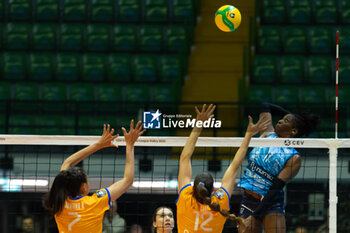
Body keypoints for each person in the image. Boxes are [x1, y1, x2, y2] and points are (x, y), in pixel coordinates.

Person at [176, 104, 270, 233]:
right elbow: (234, 167)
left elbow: (184, 158)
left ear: (194, 188)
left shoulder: (186, 197)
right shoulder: (220, 201)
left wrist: (199, 124)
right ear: (213, 189)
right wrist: (248, 135)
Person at [43, 121, 145, 233]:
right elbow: (127, 181)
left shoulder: (60, 202)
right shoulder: (94, 202)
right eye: (87, 181)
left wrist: (98, 145)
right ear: (83, 187)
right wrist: (129, 145)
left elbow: (67, 163)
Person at [237, 103, 320, 233]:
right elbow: (265, 106)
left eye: (286, 120)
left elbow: (275, 188)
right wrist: (293, 117)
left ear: (293, 131)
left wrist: (255, 216)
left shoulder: (294, 157)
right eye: (282, 118)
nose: (280, 120)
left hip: (271, 202)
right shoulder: (267, 132)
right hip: (249, 199)